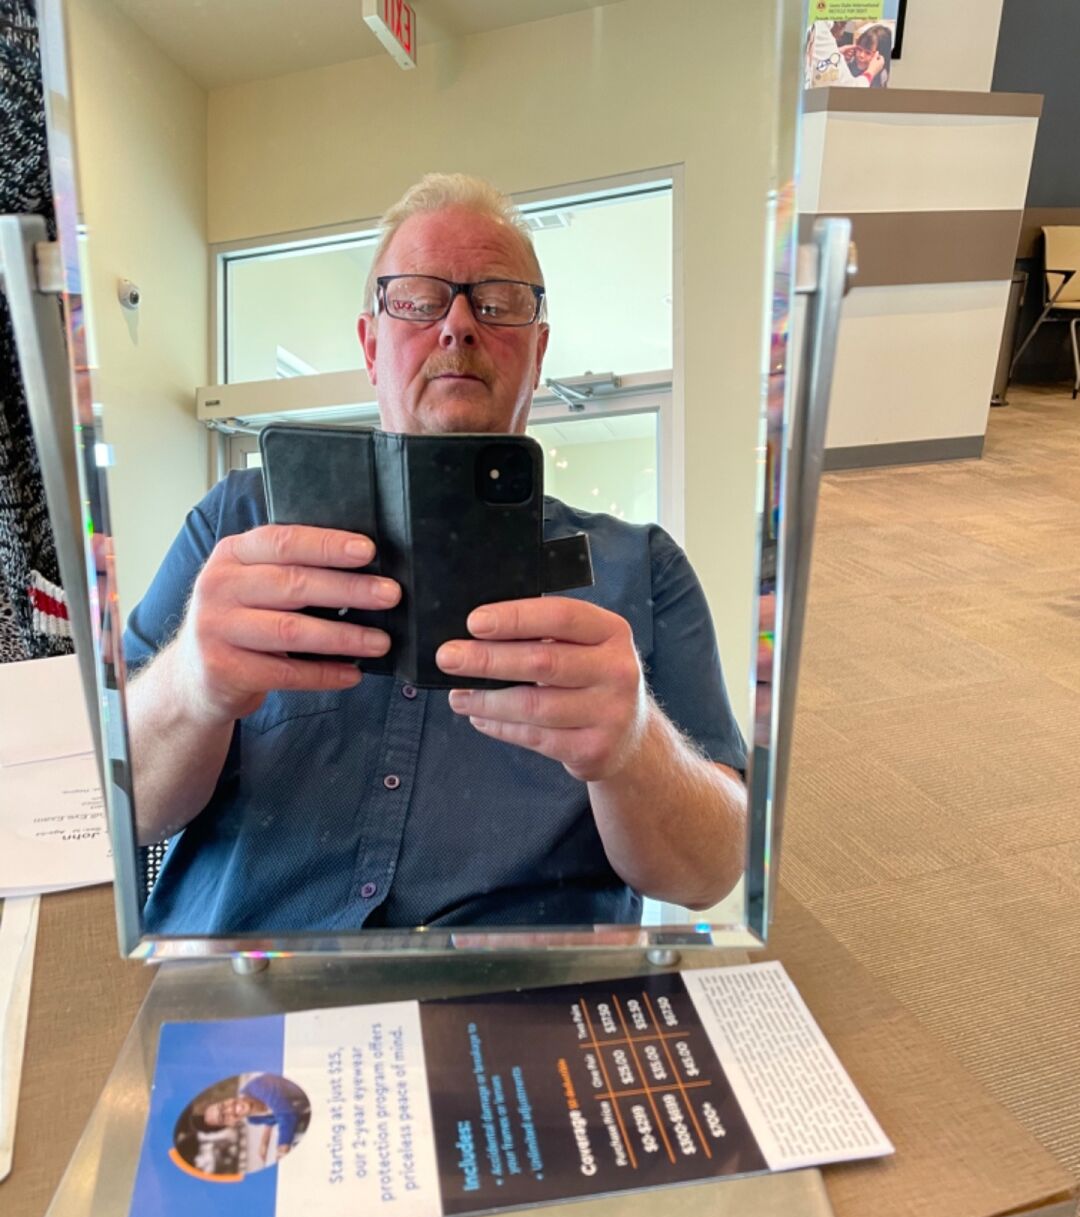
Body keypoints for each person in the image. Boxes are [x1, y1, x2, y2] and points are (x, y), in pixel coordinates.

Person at [124, 173, 748, 933]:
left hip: (520, 992)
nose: (458, 325)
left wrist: (635, 747)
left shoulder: (643, 569)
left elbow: (712, 871)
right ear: (371, 345)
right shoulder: (237, 527)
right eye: (419, 301)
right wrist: (190, 682)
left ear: (539, 350)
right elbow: (115, 805)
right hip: (242, 984)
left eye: (498, 302)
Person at [195, 1073, 311, 1161]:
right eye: (224, 1117)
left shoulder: (258, 1086)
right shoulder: (254, 1119)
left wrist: (282, 1150)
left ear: (226, 1098)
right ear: (230, 1124)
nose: (229, 1109)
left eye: (223, 1106)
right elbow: (271, 1119)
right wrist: (264, 1141)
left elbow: (286, 1114)